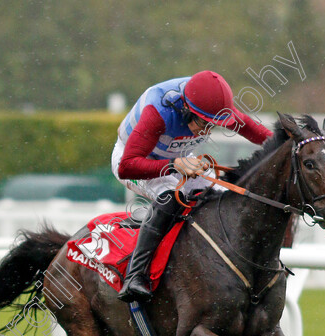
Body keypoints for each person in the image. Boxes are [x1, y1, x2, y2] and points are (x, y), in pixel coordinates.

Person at [111, 70, 272, 303]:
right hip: (135, 161)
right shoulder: (159, 113)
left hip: (179, 158)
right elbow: (128, 166)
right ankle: (135, 276)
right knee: (169, 198)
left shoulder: (211, 104)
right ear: (187, 109)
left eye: (213, 126)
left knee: (213, 196)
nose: (208, 130)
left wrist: (287, 143)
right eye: (204, 124)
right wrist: (173, 165)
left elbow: (249, 128)